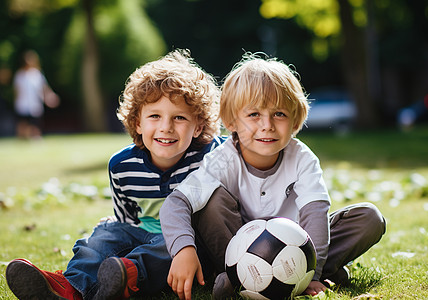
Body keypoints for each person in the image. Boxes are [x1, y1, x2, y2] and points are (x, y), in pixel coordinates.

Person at [160, 53, 386, 300]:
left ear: (295, 120)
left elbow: (315, 215)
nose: (267, 125)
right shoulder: (222, 160)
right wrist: (183, 249)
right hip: (234, 245)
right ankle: (237, 275)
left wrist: (313, 274)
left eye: (279, 114)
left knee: (369, 217)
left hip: (295, 247)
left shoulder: (303, 159)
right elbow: (176, 203)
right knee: (210, 201)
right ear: (232, 121)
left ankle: (306, 273)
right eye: (254, 114)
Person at [5, 49, 222, 300]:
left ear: (199, 127)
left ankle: (127, 278)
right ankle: (70, 287)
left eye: (179, 118)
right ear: (138, 123)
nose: (166, 127)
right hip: (141, 231)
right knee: (105, 235)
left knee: (167, 248)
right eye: (154, 116)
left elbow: (243, 148)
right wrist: (113, 234)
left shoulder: (212, 156)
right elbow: (127, 220)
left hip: (185, 240)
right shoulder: (122, 165)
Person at [13, 50, 59, 139]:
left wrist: (50, 97)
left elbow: (44, 88)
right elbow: (17, 91)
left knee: (35, 125)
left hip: (34, 104)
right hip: (22, 105)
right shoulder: (19, 75)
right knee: (23, 125)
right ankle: (22, 139)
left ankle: (35, 138)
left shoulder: (37, 74)